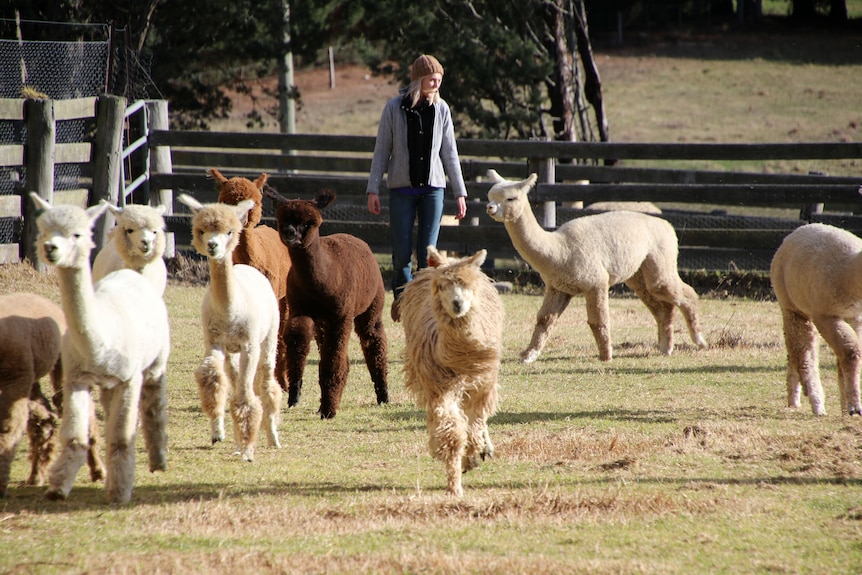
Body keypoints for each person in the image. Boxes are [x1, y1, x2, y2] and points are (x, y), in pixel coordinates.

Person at [366, 54, 468, 322]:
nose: (436, 83)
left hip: (433, 190)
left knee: (427, 255)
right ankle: (402, 300)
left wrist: (460, 192)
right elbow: (381, 151)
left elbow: (450, 153)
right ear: (418, 79)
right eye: (432, 78)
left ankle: (423, 308)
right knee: (401, 256)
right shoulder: (393, 108)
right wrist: (373, 188)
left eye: (439, 79)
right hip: (401, 190)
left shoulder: (442, 109)